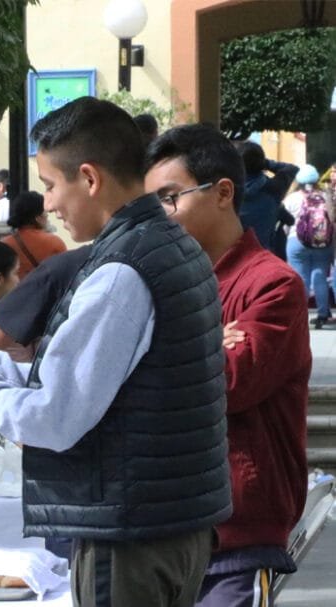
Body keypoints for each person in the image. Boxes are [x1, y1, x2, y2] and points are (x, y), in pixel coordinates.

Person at [0, 97, 231, 607]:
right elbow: (79, 376)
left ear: (89, 178)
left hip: (131, 532)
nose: (47, 204)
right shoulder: (169, 246)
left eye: (50, 185)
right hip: (168, 521)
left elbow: (54, 416)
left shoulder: (121, 271)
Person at [145, 123, 309, 607]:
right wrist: (203, 342)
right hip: (163, 523)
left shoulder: (272, 285)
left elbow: (226, 382)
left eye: (170, 197)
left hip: (235, 534)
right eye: (151, 201)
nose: (160, 214)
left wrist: (156, 350)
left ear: (222, 192)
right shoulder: (156, 285)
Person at [284, 164, 334, 328]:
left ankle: (300, 314)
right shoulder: (325, 196)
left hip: (297, 241)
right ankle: (322, 314)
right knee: (319, 276)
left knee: (300, 278)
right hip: (323, 242)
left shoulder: (292, 198)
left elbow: (285, 223)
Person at [235, 141, 298, 253]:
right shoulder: (274, 188)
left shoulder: (227, 190)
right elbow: (292, 168)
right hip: (263, 254)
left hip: (232, 254)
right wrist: (266, 163)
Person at [1, 191, 66, 279]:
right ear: (38, 218)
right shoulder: (54, 242)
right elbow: (65, 274)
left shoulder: (4, 244)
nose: (47, 217)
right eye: (45, 213)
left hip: (16, 291)